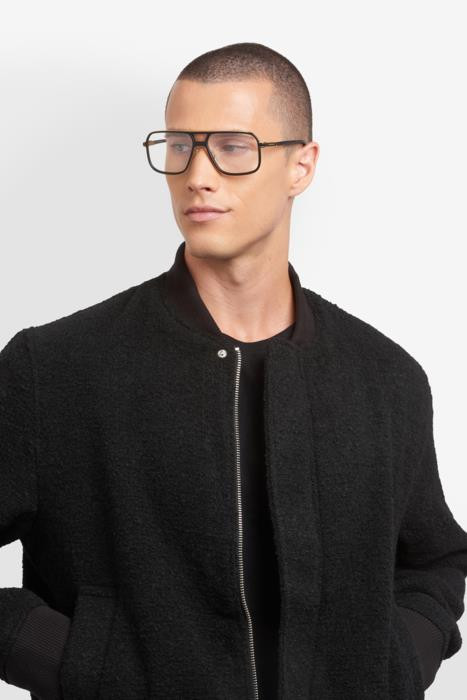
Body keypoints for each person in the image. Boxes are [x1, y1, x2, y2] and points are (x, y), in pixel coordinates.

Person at [1, 41, 466, 700]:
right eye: (180, 146)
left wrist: (396, 661)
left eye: (232, 146)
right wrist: (75, 661)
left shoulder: (385, 379)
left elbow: (434, 559)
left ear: (301, 165)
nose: (198, 174)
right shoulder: (54, 369)